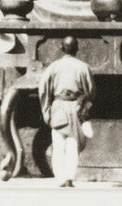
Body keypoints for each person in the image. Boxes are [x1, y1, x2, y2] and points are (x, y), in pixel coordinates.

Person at [38, 36, 94, 187]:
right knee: (72, 144)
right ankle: (69, 178)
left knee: (58, 145)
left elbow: (43, 89)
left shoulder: (53, 67)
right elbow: (90, 91)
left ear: (62, 48)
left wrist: (46, 110)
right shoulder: (83, 67)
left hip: (57, 106)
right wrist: (84, 105)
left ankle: (60, 178)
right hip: (75, 107)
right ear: (77, 48)